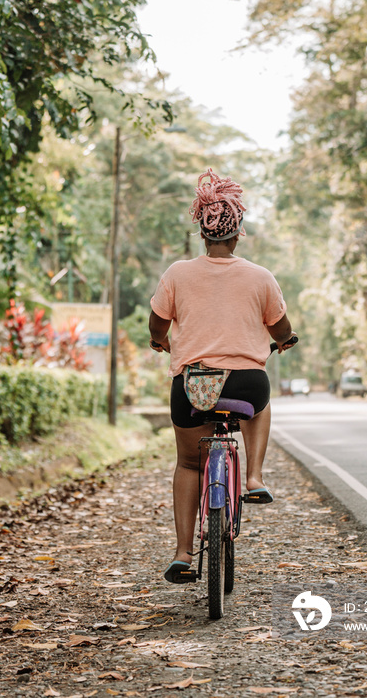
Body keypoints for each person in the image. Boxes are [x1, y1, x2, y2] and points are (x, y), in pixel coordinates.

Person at [148, 168, 296, 583]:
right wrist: (284, 340)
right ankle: (253, 476)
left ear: (203, 232)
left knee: (189, 464)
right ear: (237, 233)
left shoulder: (177, 274)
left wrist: (160, 342)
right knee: (260, 405)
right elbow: (280, 329)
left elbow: (157, 326)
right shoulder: (260, 277)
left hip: (192, 385)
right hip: (246, 383)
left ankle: (181, 554)